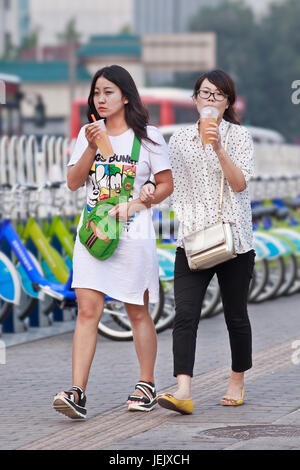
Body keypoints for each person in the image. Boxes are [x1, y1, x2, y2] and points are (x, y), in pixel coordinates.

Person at [53, 65, 173, 419]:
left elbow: (166, 184)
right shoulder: (86, 133)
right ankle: (77, 392)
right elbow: (74, 182)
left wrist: (143, 200)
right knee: (88, 310)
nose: (100, 99)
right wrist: (90, 147)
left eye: (108, 92)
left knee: (137, 310)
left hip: (133, 235)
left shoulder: (149, 137)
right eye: (96, 93)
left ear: (125, 96)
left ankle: (146, 383)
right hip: (92, 233)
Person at [140, 69, 255, 414]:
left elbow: (239, 185)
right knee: (185, 314)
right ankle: (183, 389)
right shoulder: (179, 141)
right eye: (204, 94)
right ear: (194, 99)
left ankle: (237, 378)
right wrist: (149, 189)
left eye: (218, 95)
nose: (210, 100)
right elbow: (169, 183)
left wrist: (219, 146)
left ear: (228, 103)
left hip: (233, 238)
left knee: (235, 315)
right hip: (191, 239)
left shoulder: (240, 137)